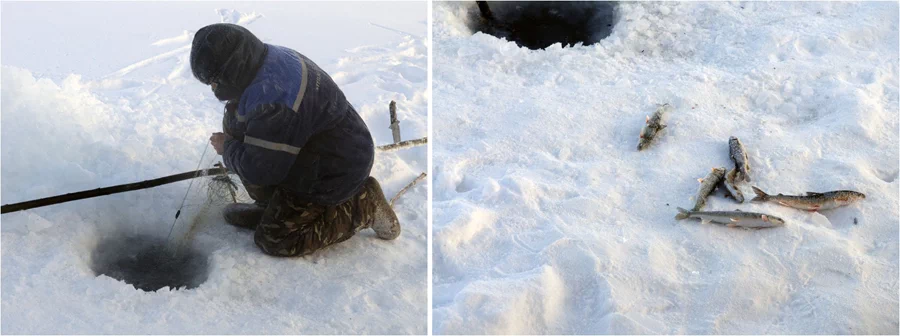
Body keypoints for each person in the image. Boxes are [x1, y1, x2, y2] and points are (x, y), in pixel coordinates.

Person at [189, 23, 400, 257]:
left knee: (275, 239)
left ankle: (363, 204)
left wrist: (228, 148)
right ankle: (274, 207)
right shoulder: (263, 59)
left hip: (336, 167)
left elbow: (261, 170)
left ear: (232, 68)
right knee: (236, 123)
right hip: (315, 146)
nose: (213, 88)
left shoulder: (274, 101)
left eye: (214, 81)